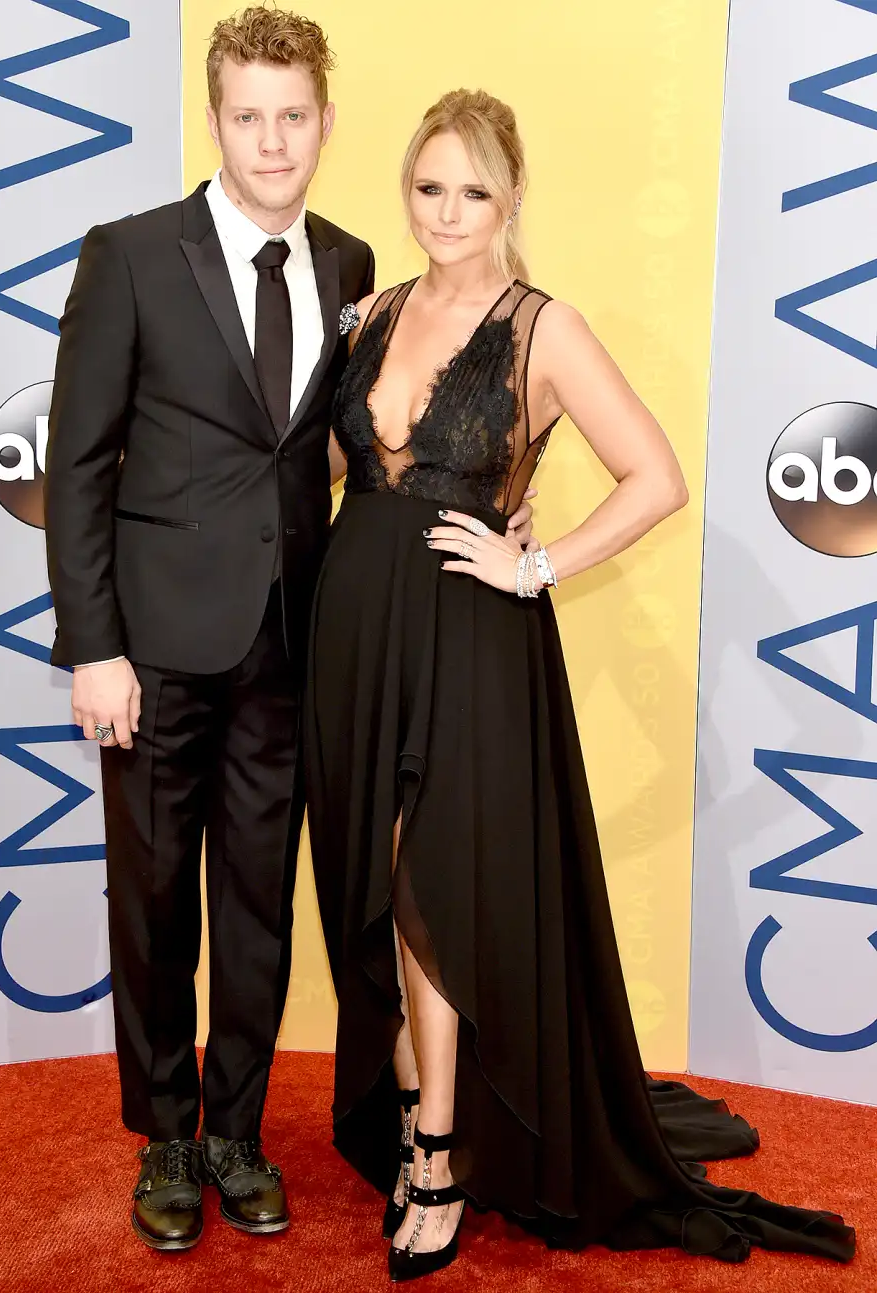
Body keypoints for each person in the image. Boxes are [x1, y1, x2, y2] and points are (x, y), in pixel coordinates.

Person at [304, 89, 857, 1281]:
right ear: (405, 190)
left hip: (470, 641)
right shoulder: (371, 314)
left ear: (511, 199)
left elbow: (654, 475)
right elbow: (346, 471)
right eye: (427, 187)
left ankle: (439, 1156)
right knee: (378, 889)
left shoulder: (540, 327)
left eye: (473, 191)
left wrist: (532, 560)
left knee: (427, 892)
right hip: (353, 639)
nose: (447, 212)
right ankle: (419, 1123)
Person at [43, 8, 536, 1254]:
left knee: (260, 904)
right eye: (248, 116)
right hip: (149, 651)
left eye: (294, 116)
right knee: (155, 905)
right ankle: (162, 1136)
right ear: (216, 120)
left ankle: (235, 1133)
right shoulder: (131, 254)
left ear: (324, 122)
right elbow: (79, 464)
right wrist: (91, 647)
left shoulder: (349, 261)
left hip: (293, 647)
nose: (272, 141)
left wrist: (498, 503)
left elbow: (367, 440)